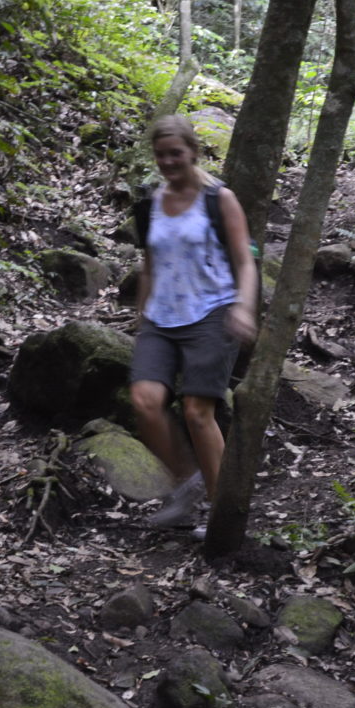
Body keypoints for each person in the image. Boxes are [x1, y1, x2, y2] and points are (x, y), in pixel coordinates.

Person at [131, 115, 259, 529]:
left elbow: (245, 259)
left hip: (212, 312)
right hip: (160, 318)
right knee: (145, 401)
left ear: (193, 153)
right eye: (161, 155)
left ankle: (221, 511)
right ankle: (185, 488)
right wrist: (141, 311)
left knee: (196, 411)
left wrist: (243, 307)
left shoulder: (218, 198)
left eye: (176, 154)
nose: (168, 162)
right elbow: (149, 264)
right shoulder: (150, 204)